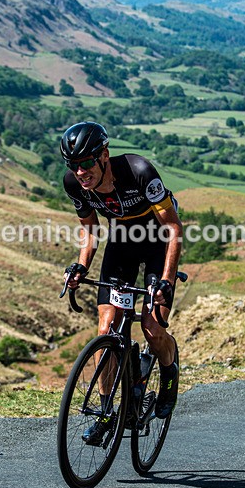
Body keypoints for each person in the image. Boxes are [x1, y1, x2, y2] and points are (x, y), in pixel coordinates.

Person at [60, 120, 183, 444]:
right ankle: (106, 413)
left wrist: (167, 281)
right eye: (74, 165)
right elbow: (90, 230)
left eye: (87, 162)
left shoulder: (139, 171)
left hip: (157, 240)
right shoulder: (74, 184)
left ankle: (169, 373)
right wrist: (81, 265)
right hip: (123, 245)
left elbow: (173, 229)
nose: (81, 171)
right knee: (107, 330)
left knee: (152, 328)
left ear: (104, 156)